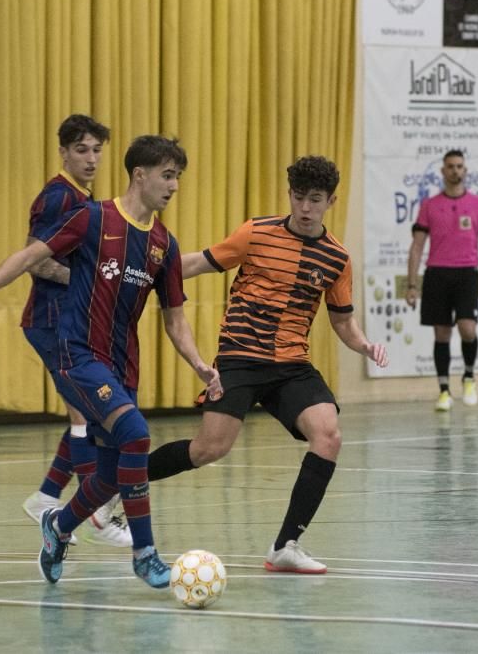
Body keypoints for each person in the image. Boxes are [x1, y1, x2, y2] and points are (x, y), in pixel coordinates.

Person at [0, 135, 221, 588]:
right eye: (168, 175)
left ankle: (57, 527)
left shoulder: (163, 245)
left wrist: (198, 364)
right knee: (136, 434)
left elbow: (175, 320)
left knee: (113, 475)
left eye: (178, 177)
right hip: (76, 354)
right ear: (141, 174)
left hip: (122, 366)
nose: (174, 186)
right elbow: (30, 256)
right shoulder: (93, 218)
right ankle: (145, 553)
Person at [147, 155, 389, 574]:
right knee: (209, 449)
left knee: (328, 436)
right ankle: (118, 483)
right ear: (289, 195)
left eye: (315, 199)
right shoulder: (256, 233)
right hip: (241, 357)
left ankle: (285, 545)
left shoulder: (336, 258)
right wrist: (144, 271)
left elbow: (343, 321)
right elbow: (199, 262)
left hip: (291, 365)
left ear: (331, 200)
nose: (306, 207)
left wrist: (364, 345)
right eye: (299, 197)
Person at [18, 114, 130, 548]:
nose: (91, 158)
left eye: (97, 150)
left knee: (90, 410)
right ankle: (97, 510)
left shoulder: (84, 197)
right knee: (90, 411)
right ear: (63, 151)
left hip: (73, 322)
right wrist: (93, 282)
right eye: (81, 149)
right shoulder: (57, 198)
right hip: (51, 320)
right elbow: (38, 259)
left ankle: (47, 497)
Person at [405, 149, 478, 412]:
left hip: (467, 273)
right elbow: (416, 247)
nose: (455, 170)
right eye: (450, 166)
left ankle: (469, 376)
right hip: (437, 274)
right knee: (442, 334)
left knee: (467, 328)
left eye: (460, 166)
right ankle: (444, 390)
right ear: (443, 171)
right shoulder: (430, 206)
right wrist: (412, 285)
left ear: (465, 171)